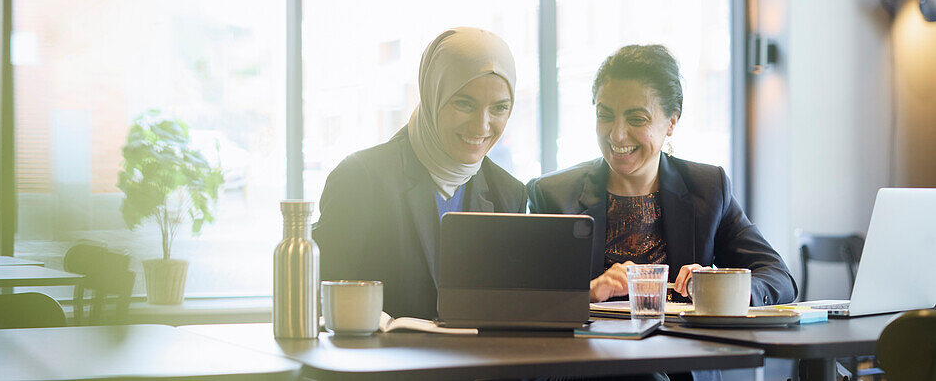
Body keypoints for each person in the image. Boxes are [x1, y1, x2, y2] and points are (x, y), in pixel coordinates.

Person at [528, 44, 796, 308]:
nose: (617, 134)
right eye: (605, 115)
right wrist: (589, 292)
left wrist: (717, 284)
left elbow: (778, 277)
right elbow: (524, 297)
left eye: (637, 119)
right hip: (590, 349)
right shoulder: (553, 195)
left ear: (671, 122)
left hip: (684, 349)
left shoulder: (707, 188)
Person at [313, 27, 527, 320]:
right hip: (380, 363)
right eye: (464, 103)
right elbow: (319, 299)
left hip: (477, 363)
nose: (482, 126)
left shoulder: (509, 194)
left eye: (499, 108)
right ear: (432, 95)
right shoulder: (360, 179)